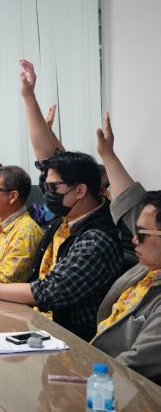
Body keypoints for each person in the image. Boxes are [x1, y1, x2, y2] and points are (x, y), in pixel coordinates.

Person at [0, 60, 123, 341]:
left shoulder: (96, 239)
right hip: (41, 323)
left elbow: (46, 292)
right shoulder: (69, 219)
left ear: (80, 190)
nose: (47, 191)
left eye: (54, 187)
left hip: (69, 339)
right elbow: (46, 159)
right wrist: (28, 96)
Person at [89, 112, 161, 384]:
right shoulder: (151, 262)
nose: (133, 240)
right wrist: (107, 154)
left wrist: (81, 377)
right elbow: (131, 206)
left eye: (141, 235)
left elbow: (134, 366)